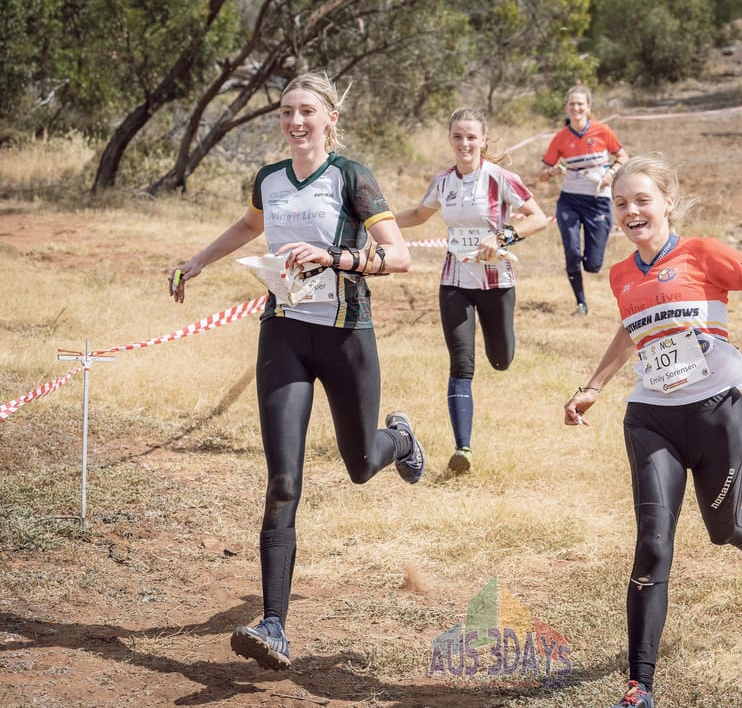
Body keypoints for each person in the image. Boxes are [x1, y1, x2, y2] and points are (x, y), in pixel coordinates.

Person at [167, 71, 425, 672]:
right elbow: (252, 225)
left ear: (330, 118)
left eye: (307, 111)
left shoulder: (351, 177)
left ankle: (402, 438)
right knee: (283, 480)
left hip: (345, 336)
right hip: (282, 333)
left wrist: (335, 257)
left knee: (361, 465)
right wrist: (198, 260)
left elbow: (402, 255)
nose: (295, 122)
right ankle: (274, 623)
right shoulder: (270, 180)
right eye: (286, 112)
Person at [562, 154, 742, 708]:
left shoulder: (705, 253)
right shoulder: (623, 274)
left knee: (723, 528)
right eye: (621, 203)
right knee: (651, 546)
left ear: (668, 201)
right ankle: (639, 686)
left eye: (642, 200)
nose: (631, 211)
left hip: (717, 415)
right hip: (651, 420)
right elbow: (632, 330)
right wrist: (594, 386)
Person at [395, 108, 548, 474]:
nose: (465, 143)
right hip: (454, 282)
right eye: (458, 137)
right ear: (450, 140)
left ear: (483, 141)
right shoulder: (443, 182)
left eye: (471, 137)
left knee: (501, 359)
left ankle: (501, 354)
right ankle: (463, 448)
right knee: (461, 364)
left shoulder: (501, 178)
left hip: (497, 282)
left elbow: (539, 217)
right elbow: (418, 215)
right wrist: (373, 220)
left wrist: (503, 235)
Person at [538, 84, 629, 316]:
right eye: (572, 104)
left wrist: (612, 171)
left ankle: (590, 267)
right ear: (566, 108)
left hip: (598, 200)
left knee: (593, 264)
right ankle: (581, 303)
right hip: (570, 200)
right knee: (571, 251)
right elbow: (542, 173)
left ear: (588, 107)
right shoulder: (560, 138)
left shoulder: (602, 130)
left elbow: (622, 155)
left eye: (580, 104)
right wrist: (552, 172)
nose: (576, 107)